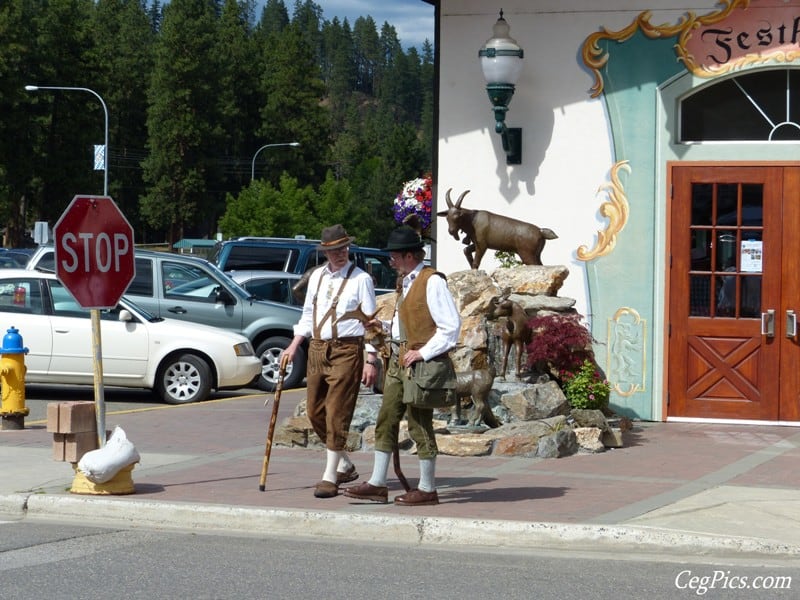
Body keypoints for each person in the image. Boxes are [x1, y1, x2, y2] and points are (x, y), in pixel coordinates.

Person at [344, 225, 461, 506]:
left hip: (418, 365)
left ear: (409, 255)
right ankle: (377, 483)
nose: (390, 261)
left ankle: (427, 488)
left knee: (420, 424)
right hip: (399, 361)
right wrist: (382, 327)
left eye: (393, 256)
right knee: (386, 418)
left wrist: (422, 353)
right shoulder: (406, 281)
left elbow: (451, 328)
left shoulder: (432, 281)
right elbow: (406, 326)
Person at [282, 224, 379, 498]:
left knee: (337, 411)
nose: (340, 253)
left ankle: (330, 475)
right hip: (316, 349)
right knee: (314, 411)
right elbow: (307, 315)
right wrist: (293, 345)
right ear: (325, 252)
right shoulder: (317, 278)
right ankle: (344, 463)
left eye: (344, 248)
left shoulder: (361, 279)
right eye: (334, 250)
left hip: (346, 350)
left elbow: (371, 323)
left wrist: (371, 358)